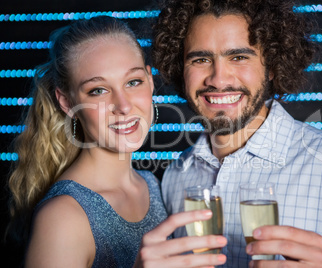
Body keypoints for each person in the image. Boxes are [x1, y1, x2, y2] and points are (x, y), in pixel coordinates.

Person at [151, 0, 322, 267]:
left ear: (271, 66)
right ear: (181, 70)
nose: (219, 79)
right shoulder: (175, 176)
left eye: (238, 57)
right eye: (201, 59)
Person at [7, 16, 227, 268]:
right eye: (98, 90)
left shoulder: (152, 185)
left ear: (150, 81)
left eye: (133, 82)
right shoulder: (62, 217)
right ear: (67, 102)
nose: (123, 106)